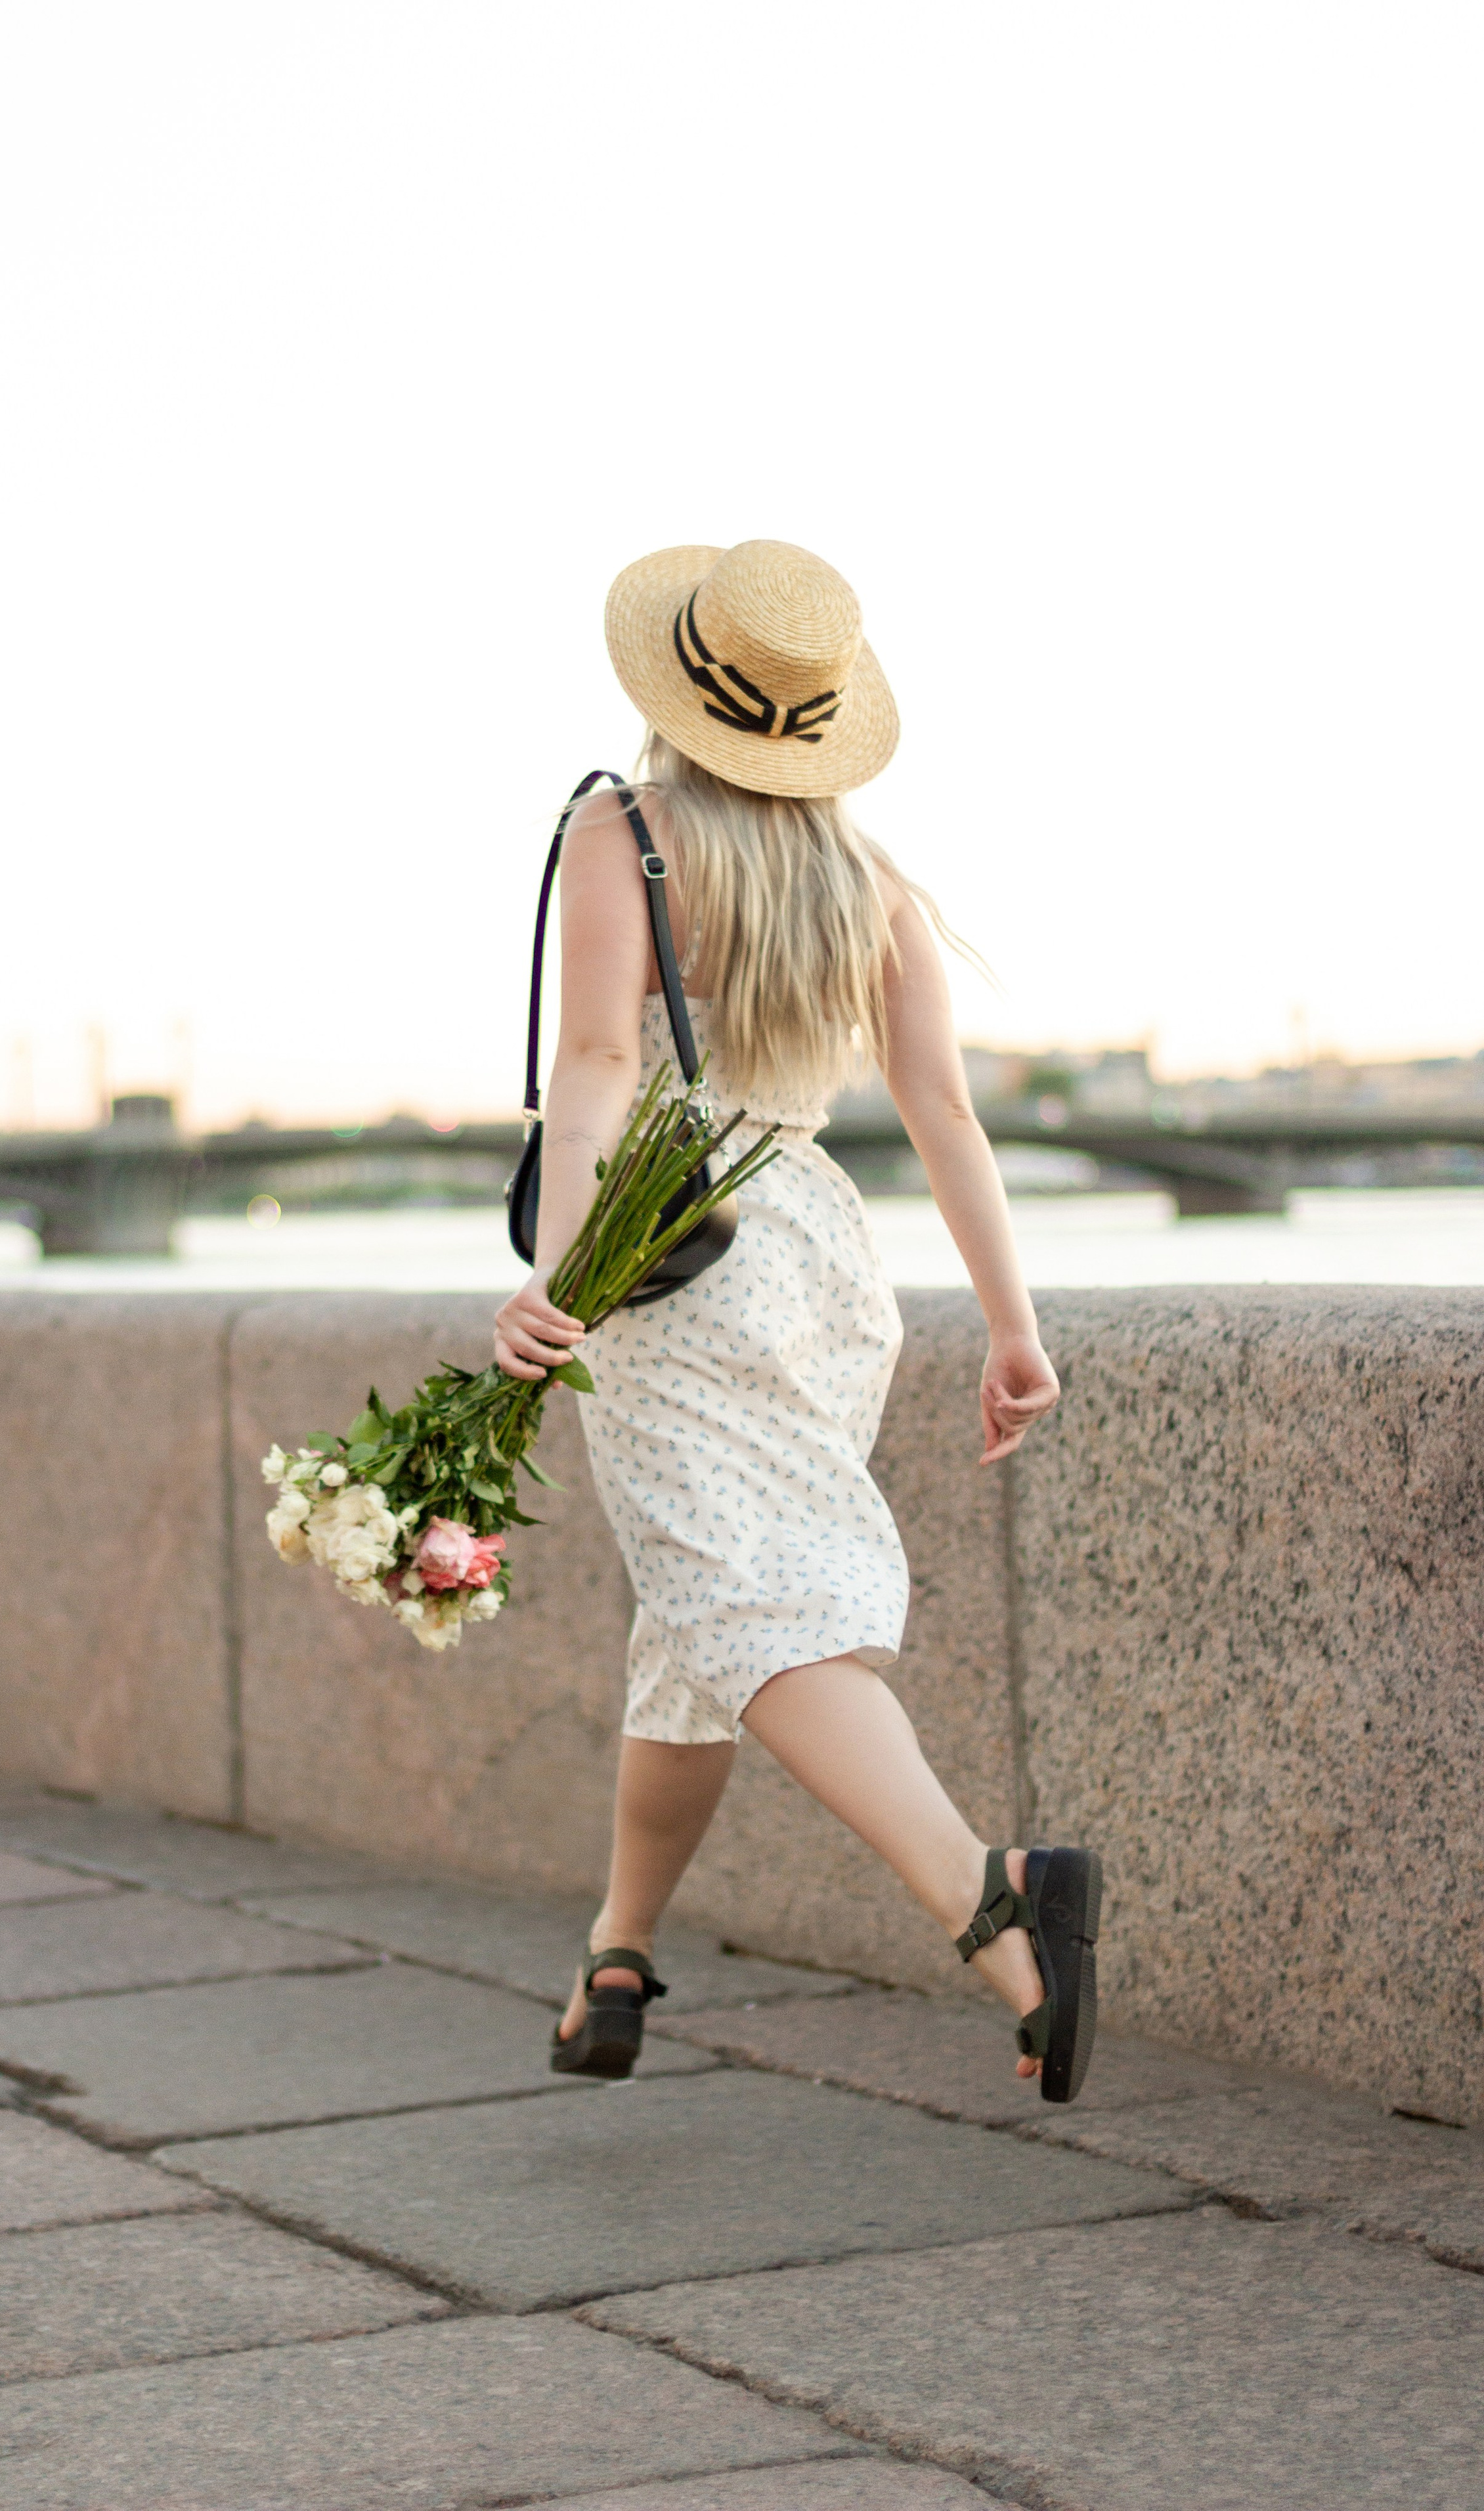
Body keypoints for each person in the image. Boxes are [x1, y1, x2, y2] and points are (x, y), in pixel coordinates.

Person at [492, 539, 1099, 2105]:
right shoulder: (866, 877)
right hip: (820, 1257)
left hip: (676, 1258)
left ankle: (995, 1906)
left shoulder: (618, 832)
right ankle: (616, 1958)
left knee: (750, 1619)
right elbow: (943, 1111)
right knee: (697, 1624)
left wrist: (559, 1280)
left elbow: (600, 1072)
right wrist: (1010, 1327)